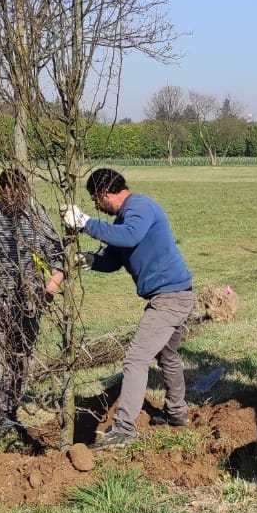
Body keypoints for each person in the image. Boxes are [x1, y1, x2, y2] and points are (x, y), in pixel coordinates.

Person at [62, 168, 194, 450]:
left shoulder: (140, 207)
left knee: (135, 359)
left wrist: (86, 223)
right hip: (174, 294)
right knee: (167, 355)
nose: (96, 206)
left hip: (170, 298)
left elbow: (130, 236)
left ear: (104, 193)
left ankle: (123, 429)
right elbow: (114, 257)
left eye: (95, 200)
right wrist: (90, 260)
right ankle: (177, 413)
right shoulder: (123, 219)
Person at [0, 168, 66, 451]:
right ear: (0, 191)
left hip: (28, 308)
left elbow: (58, 260)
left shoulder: (38, 218)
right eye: (10, 195)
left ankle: (8, 414)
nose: (16, 200)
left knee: (20, 365)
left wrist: (49, 290)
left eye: (21, 194)